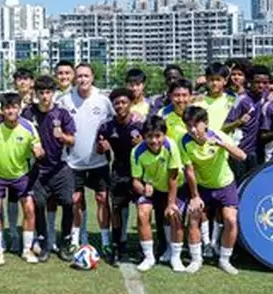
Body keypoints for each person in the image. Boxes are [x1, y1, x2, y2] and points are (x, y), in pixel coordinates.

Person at [180, 107, 247, 275]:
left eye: (196, 125)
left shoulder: (218, 135)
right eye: (188, 125)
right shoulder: (184, 142)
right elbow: (189, 171)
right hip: (202, 186)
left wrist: (220, 143)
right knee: (194, 217)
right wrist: (195, 196)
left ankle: (225, 260)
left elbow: (242, 156)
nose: (193, 129)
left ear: (206, 123)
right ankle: (196, 260)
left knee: (230, 220)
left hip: (225, 184)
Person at [0, 93, 43, 264]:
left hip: (21, 175)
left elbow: (37, 146)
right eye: (7, 108)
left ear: (20, 108)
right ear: (2, 110)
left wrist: (38, 151)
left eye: (14, 107)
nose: (11, 111)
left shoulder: (29, 126)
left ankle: (27, 250)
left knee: (29, 209)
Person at [60, 63, 114, 252]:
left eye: (86, 76)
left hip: (99, 161)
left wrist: (108, 142)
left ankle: (106, 241)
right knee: (76, 200)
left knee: (102, 198)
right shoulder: (65, 100)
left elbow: (113, 125)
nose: (83, 79)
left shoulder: (103, 100)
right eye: (79, 76)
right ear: (75, 78)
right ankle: (76, 239)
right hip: (73, 162)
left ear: (92, 78)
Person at [22, 75, 76, 262]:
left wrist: (62, 136)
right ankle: (43, 243)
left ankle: (66, 242)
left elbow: (72, 140)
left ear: (53, 93)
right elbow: (19, 134)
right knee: (39, 205)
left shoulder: (62, 114)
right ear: (36, 94)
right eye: (41, 92)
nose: (45, 96)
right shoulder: (28, 113)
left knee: (68, 203)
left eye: (48, 92)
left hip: (61, 169)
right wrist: (32, 147)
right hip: (38, 170)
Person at [131, 116, 186, 271]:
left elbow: (173, 177)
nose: (154, 141)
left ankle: (175, 257)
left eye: (158, 136)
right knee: (142, 213)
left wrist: (171, 203)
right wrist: (143, 189)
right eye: (149, 136)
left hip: (172, 187)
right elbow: (135, 181)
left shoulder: (171, 146)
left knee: (174, 215)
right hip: (152, 190)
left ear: (164, 135)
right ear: (144, 136)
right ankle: (149, 258)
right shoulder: (137, 152)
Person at [97, 87, 144, 262]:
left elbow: (154, 144)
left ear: (131, 104)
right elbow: (99, 148)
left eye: (124, 102)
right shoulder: (107, 126)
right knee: (118, 210)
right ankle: (119, 246)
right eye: (117, 103)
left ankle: (143, 247)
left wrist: (142, 143)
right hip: (119, 172)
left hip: (139, 173)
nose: (120, 106)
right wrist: (102, 147)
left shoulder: (140, 125)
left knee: (142, 210)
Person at [224, 65, 270, 183]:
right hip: (240, 152)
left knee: (254, 184)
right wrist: (239, 122)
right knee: (240, 185)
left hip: (257, 152)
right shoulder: (242, 100)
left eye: (265, 83)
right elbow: (224, 128)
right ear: (250, 82)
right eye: (257, 82)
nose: (261, 85)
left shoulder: (266, 96)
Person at [200, 63, 238, 132]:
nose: (214, 83)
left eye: (218, 80)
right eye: (211, 80)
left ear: (225, 81)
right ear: (206, 80)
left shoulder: (231, 100)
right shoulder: (199, 100)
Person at [158, 79, 195, 145]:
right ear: (170, 96)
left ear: (191, 96)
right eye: (177, 95)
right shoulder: (162, 114)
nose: (180, 100)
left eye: (184, 95)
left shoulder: (197, 113)